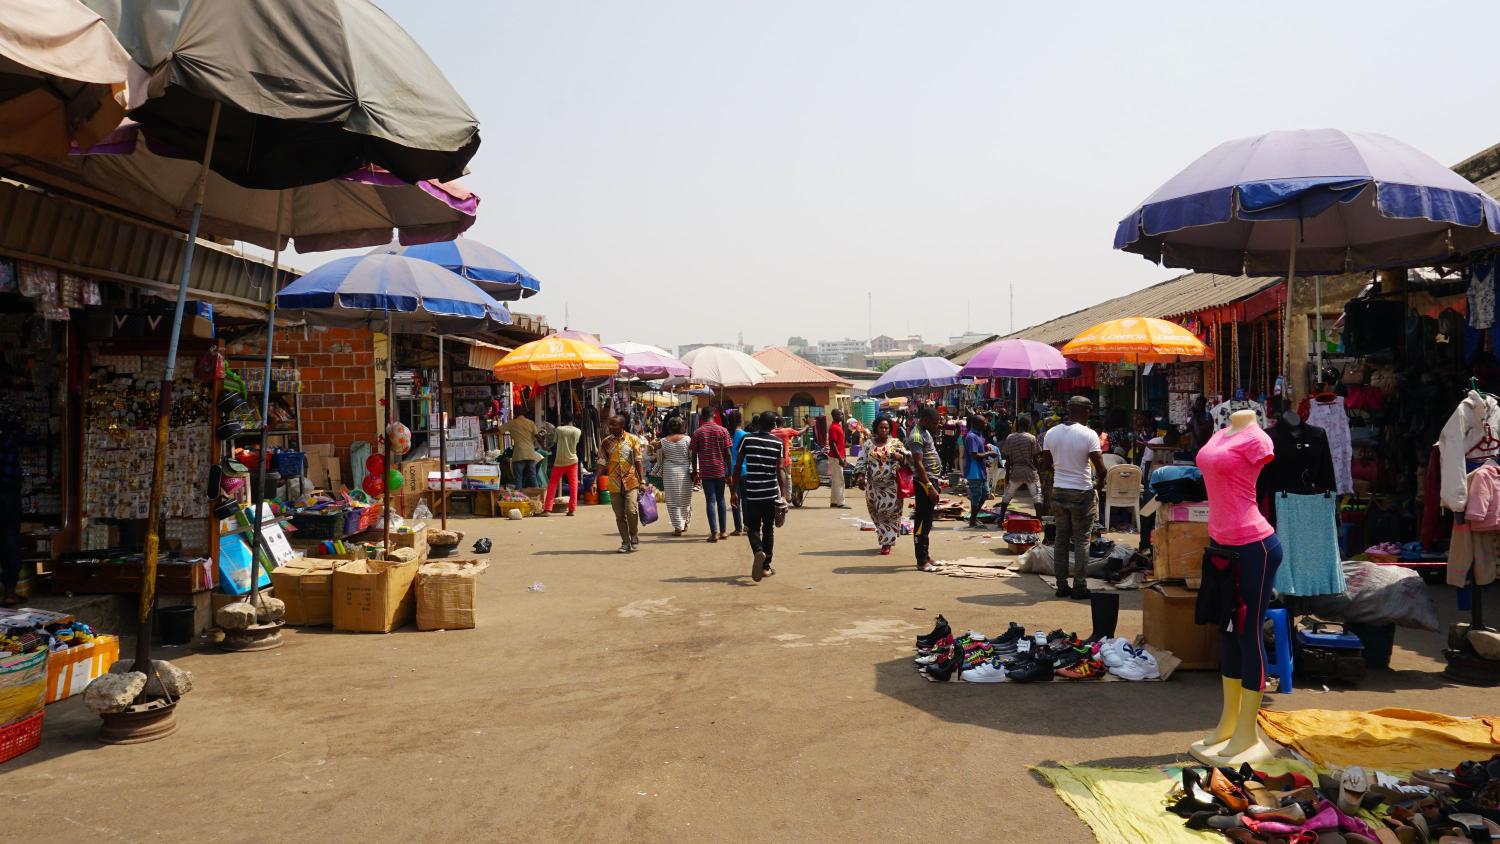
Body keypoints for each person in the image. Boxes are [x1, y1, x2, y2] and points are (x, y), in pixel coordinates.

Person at [1039, 396, 1107, 599]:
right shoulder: (1088, 434)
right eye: (1089, 410)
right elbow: (1101, 469)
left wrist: (1063, 470)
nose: (1090, 414)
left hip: (1059, 490)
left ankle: (1061, 585)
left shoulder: (1051, 433)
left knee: (1060, 539)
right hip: (1081, 492)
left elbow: (1046, 463)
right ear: (1084, 411)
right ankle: (1080, 586)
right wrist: (1098, 484)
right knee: (1082, 540)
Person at [732, 411, 787, 581]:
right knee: (768, 528)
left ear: (758, 424)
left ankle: (758, 550)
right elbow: (780, 470)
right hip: (770, 493)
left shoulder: (747, 439)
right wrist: (784, 495)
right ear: (773, 426)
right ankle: (766, 567)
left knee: (751, 527)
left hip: (752, 492)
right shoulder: (778, 443)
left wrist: (734, 491)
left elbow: (738, 465)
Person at [853, 415, 911, 557]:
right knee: (875, 513)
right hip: (873, 486)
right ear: (876, 429)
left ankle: (886, 543)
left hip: (891, 487)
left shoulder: (896, 443)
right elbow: (862, 460)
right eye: (881, 427)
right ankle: (886, 536)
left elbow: (907, 461)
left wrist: (900, 457)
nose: (884, 430)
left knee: (888, 514)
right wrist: (860, 477)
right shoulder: (868, 444)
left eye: (886, 428)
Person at [599, 414, 646, 553]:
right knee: (619, 515)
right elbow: (602, 461)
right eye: (610, 424)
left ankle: (634, 534)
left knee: (631, 510)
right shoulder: (606, 442)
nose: (610, 427)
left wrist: (642, 481)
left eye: (613, 424)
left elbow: (638, 460)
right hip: (614, 482)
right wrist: (596, 479)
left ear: (621, 426)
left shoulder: (633, 439)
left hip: (631, 481)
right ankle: (625, 542)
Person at [906, 405, 943, 569]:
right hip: (924, 482)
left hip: (931, 479)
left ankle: (926, 555)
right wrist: (929, 486)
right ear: (926, 420)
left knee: (927, 521)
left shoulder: (925, 432)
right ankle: (921, 560)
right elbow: (918, 463)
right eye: (935, 423)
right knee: (922, 520)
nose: (937, 426)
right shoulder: (916, 436)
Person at [690, 406, 733, 542]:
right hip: (720, 470)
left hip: (706, 470)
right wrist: (730, 473)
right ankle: (723, 531)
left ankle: (714, 533)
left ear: (702, 417)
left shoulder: (697, 433)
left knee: (710, 500)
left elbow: (694, 453)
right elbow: (728, 454)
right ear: (714, 415)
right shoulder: (723, 430)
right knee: (721, 499)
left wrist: (695, 472)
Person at [653, 416, 693, 535]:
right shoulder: (688, 440)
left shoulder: (663, 441)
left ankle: (677, 527)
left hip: (669, 472)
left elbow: (659, 461)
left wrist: (654, 472)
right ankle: (684, 523)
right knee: (685, 499)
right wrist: (695, 471)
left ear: (669, 428)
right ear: (683, 427)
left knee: (672, 500)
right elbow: (691, 457)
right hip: (685, 472)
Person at [999, 414, 1043, 514]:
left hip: (1015, 472)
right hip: (1030, 472)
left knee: (1007, 496)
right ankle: (1039, 520)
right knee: (1037, 497)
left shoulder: (1010, 438)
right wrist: (1038, 472)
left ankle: (1000, 519)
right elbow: (1035, 458)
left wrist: (1007, 474)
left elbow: (1008, 458)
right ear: (1028, 425)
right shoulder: (1031, 438)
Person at [540, 413, 582, 517]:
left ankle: (547, 509)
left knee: (552, 484)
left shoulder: (559, 429)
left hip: (559, 461)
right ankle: (572, 510)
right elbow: (576, 444)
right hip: (573, 461)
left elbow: (555, 443)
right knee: (573, 485)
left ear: (563, 420)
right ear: (572, 420)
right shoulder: (578, 431)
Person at [963, 413, 998, 527]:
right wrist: (989, 453)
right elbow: (974, 454)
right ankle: (972, 521)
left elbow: (978, 452)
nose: (986, 424)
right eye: (983, 422)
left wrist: (985, 456)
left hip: (981, 470)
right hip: (974, 472)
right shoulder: (971, 436)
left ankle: (973, 518)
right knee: (977, 496)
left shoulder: (979, 435)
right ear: (976, 424)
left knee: (985, 494)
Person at [502, 407, 545, 489]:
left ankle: (519, 498)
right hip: (530, 454)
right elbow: (538, 437)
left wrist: (483, 431)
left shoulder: (512, 423)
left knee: (518, 478)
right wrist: (544, 447)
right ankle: (537, 496)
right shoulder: (530, 423)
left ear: (515, 413)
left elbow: (498, 429)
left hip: (519, 454)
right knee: (532, 477)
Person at [725, 409, 746, 536]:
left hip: (732, 472)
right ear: (740, 420)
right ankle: (747, 526)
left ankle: (738, 528)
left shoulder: (728, 436)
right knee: (746, 500)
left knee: (734, 499)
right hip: (745, 470)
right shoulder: (745, 434)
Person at [826, 408, 849, 509]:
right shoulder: (834, 428)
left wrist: (844, 457)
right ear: (835, 416)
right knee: (840, 480)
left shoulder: (837, 426)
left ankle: (834, 501)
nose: (842, 416)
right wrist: (840, 458)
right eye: (840, 414)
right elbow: (833, 444)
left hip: (838, 456)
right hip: (836, 457)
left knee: (836, 480)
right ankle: (840, 502)